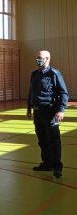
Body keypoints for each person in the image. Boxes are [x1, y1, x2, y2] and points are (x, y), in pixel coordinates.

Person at [27, 50, 69, 178]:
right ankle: (47, 163)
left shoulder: (54, 74)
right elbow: (31, 92)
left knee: (54, 140)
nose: (37, 60)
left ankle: (57, 167)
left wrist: (61, 110)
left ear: (48, 59)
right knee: (42, 140)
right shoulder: (34, 74)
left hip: (50, 112)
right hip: (38, 112)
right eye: (37, 58)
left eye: (40, 58)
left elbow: (63, 93)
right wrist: (29, 107)